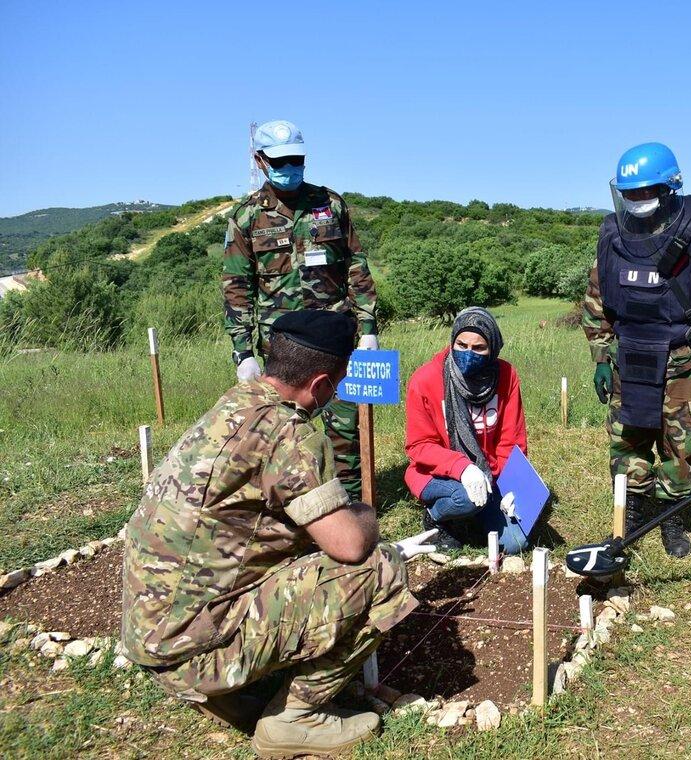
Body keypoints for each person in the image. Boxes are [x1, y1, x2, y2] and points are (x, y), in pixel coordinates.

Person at [121, 310, 435, 757]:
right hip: (193, 652)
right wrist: (365, 513)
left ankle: (229, 693)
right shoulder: (289, 432)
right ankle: (295, 718)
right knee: (379, 567)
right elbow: (348, 544)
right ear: (322, 384)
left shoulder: (232, 405)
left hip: (153, 636)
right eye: (339, 382)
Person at [583, 142, 691, 558]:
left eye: (647, 191)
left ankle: (673, 517)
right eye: (631, 193)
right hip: (629, 357)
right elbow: (598, 298)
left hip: (680, 357)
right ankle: (637, 513)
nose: (639, 201)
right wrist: (601, 357)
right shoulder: (612, 233)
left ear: (669, 187)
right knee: (628, 438)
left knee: (679, 443)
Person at [222, 119, 380, 501]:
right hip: (283, 348)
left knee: (344, 427)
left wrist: (369, 325)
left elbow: (355, 264)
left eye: (296, 159)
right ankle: (291, 506)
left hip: (334, 339)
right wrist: (242, 352)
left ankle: (350, 506)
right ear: (259, 160)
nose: (289, 167)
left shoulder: (330, 205)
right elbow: (236, 287)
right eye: (279, 160)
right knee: (284, 429)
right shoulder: (247, 217)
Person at [404, 307, 530, 554]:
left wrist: (510, 485)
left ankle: (474, 515)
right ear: (452, 342)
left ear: (493, 348)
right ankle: (436, 517)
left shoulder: (506, 376)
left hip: (489, 473)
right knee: (467, 497)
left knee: (517, 543)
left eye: (479, 348)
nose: (468, 354)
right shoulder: (425, 379)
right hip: (436, 474)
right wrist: (462, 468)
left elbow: (512, 439)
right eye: (461, 345)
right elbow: (418, 446)